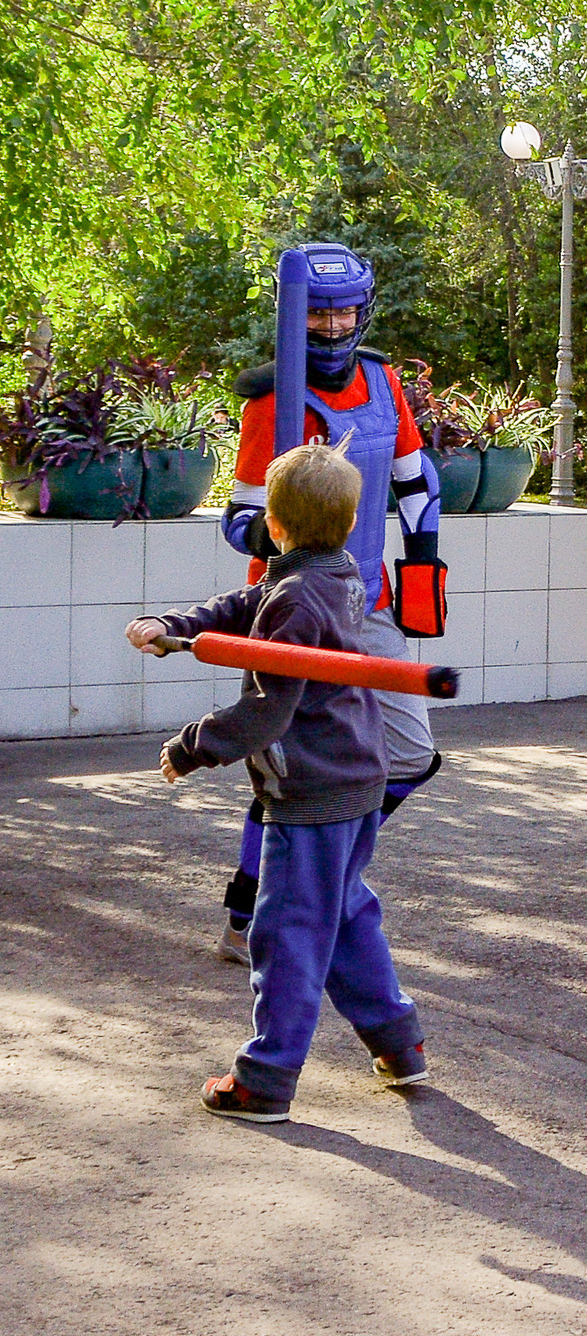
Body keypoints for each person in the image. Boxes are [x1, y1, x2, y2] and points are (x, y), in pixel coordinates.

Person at [129, 441, 430, 1121]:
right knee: (347, 916)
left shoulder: (297, 595)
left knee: (289, 930)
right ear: (350, 523)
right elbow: (250, 603)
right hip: (355, 775)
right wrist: (177, 628)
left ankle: (265, 1079)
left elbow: (268, 708)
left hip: (314, 792)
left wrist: (194, 745)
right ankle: (398, 1041)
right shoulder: (333, 572)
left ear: (275, 522)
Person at [215, 242, 446, 963]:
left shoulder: (382, 383)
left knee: (408, 754)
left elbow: (417, 481)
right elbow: (237, 519)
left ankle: (325, 879)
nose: (335, 325)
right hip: (288, 609)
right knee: (291, 763)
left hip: (368, 600)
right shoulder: (271, 402)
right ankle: (249, 911)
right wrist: (281, 529)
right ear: (296, 315)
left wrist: (421, 569)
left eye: (346, 309)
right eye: (318, 312)